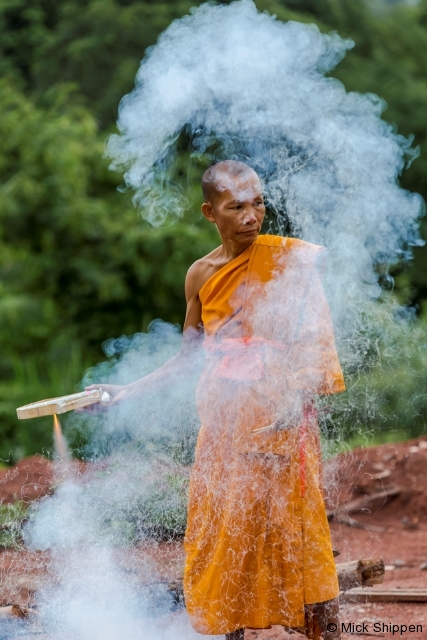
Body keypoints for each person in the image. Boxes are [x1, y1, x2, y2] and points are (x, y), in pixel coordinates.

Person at [89, 160, 345, 639]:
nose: (252, 217)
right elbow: (187, 359)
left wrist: (295, 403)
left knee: (300, 532)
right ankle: (230, 632)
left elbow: (314, 342)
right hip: (224, 427)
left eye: (259, 203)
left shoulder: (290, 261)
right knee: (223, 532)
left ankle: (324, 632)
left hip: (282, 421)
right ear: (210, 212)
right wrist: (125, 393)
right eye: (236, 207)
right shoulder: (200, 275)